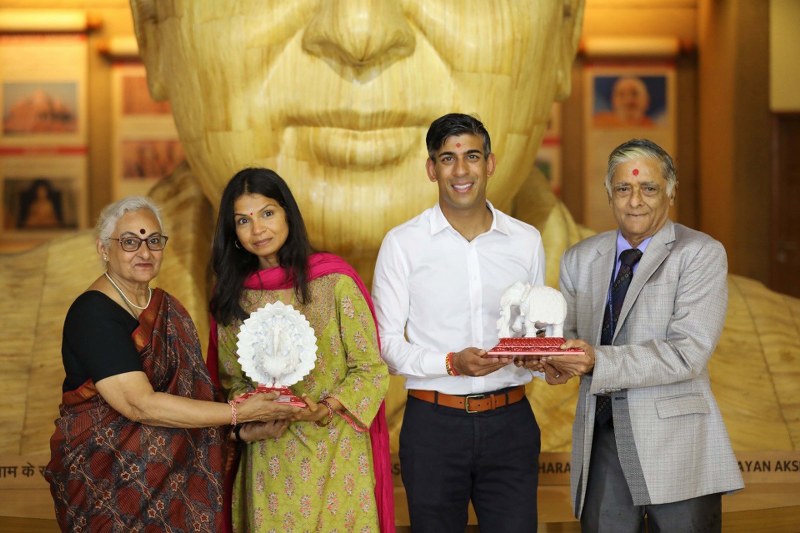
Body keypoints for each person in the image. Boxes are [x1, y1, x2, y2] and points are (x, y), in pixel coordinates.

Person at [44, 196, 300, 532]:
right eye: (130, 242)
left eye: (153, 241)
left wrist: (241, 431)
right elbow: (140, 404)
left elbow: (196, 397)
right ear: (104, 249)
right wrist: (241, 413)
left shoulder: (168, 308)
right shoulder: (92, 313)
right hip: (107, 488)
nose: (145, 252)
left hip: (175, 487)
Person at [540, 139, 744, 532]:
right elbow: (566, 338)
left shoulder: (699, 253)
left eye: (648, 188)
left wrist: (596, 359)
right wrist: (548, 361)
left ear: (670, 191)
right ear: (609, 194)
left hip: (677, 443)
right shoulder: (580, 259)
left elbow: (688, 353)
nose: (635, 201)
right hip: (602, 442)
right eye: (623, 189)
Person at [372, 113, 548, 532]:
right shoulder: (403, 244)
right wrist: (452, 363)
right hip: (434, 427)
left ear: (490, 163)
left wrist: (541, 358)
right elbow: (385, 345)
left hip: (511, 423)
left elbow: (534, 330)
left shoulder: (526, 240)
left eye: (471, 156)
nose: (461, 170)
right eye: (447, 159)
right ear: (431, 169)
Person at [207, 168, 393, 532]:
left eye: (267, 213)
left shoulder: (334, 282)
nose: (257, 229)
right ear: (233, 233)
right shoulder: (233, 297)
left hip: (337, 454)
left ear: (288, 213)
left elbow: (370, 369)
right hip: (269, 455)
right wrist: (257, 411)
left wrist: (323, 409)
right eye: (243, 220)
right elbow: (229, 383)